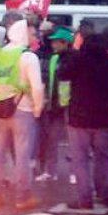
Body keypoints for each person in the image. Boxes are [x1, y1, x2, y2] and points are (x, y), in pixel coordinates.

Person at [0, 19, 44, 210]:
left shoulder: (1, 54)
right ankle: (22, 197)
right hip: (22, 110)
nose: (35, 37)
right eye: (32, 34)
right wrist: (38, 107)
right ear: (23, 34)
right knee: (22, 154)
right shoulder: (28, 56)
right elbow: (37, 87)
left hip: (0, 109)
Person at [58, 28, 108, 210]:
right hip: (102, 118)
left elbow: (62, 74)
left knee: (81, 159)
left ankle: (85, 198)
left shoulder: (78, 58)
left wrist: (74, 52)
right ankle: (106, 193)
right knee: (103, 157)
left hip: (79, 117)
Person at [36, 27, 75, 182]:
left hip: (70, 106)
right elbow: (50, 81)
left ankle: (74, 172)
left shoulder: (74, 58)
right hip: (55, 105)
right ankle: (50, 171)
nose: (53, 44)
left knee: (73, 143)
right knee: (52, 140)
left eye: (56, 42)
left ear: (65, 43)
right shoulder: (54, 59)